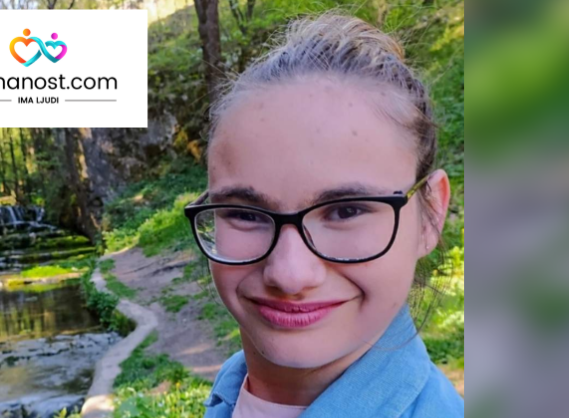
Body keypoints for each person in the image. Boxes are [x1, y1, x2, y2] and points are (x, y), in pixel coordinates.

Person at [183, 12, 464, 418]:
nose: (289, 275)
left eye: (347, 211)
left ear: (431, 213)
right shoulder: (232, 390)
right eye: (246, 214)